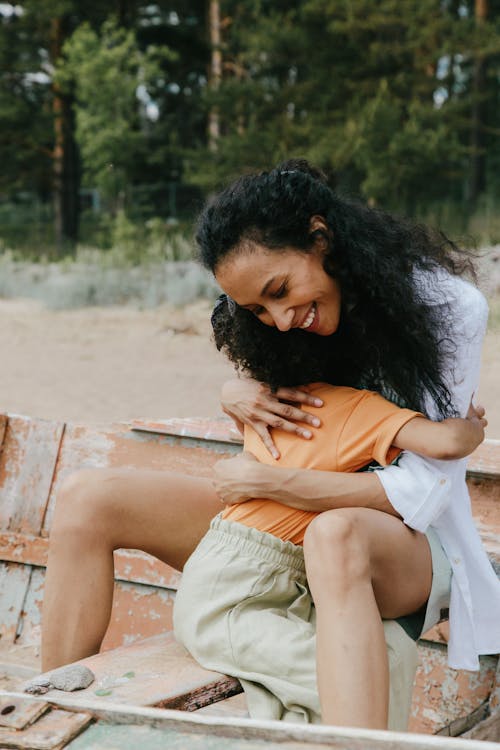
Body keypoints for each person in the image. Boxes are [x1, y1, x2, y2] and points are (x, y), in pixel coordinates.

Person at [41, 159, 500, 729]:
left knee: (336, 535)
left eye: (280, 291)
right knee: (90, 497)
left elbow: (422, 490)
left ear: (320, 237)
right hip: (278, 538)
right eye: (257, 309)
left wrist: (270, 482)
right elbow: (296, 430)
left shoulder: (449, 309)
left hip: (397, 547)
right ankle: (50, 719)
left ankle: (356, 742)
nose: (281, 321)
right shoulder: (281, 321)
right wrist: (236, 392)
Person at [173, 379, 486, 729]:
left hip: (281, 560)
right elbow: (448, 441)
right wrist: (472, 427)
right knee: (356, 675)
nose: (285, 321)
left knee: (360, 673)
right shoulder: (324, 403)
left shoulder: (305, 403)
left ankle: (357, 732)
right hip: (234, 582)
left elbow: (437, 458)